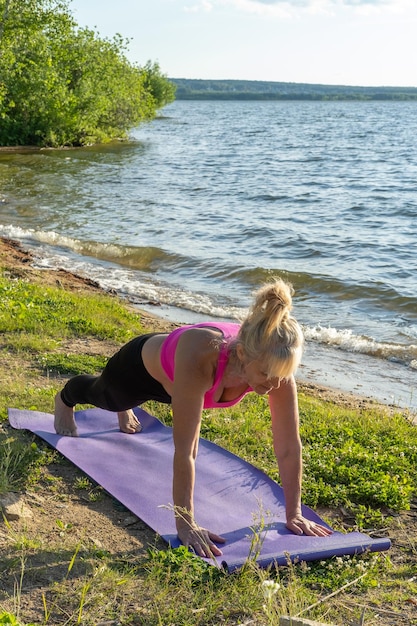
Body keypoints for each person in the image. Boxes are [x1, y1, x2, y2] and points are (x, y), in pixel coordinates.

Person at [54, 278, 332, 557]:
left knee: (273, 383)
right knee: (107, 398)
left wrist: (294, 513)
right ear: (242, 354)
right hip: (140, 371)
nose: (274, 383)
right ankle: (65, 398)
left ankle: (122, 409)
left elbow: (288, 447)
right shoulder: (202, 356)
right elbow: (186, 450)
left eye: (281, 375)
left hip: (183, 381)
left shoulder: (274, 363)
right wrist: (186, 524)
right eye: (266, 375)